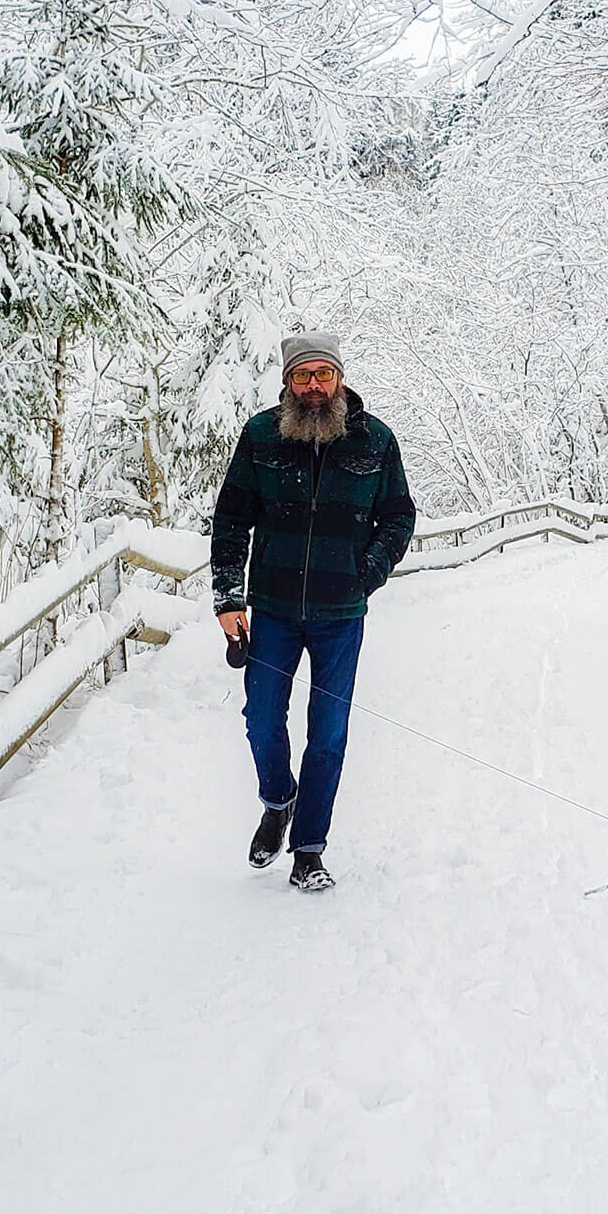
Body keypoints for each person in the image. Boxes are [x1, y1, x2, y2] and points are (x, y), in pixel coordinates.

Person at [209, 333, 415, 891]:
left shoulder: (374, 440)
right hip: (273, 609)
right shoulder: (261, 436)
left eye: (324, 373)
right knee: (260, 718)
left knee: (327, 734)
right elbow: (231, 519)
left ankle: (309, 849)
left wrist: (365, 573)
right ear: (288, 382)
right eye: (302, 375)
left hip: (341, 614)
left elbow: (399, 517)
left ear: (340, 378)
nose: (314, 385)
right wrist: (228, 598)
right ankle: (278, 800)